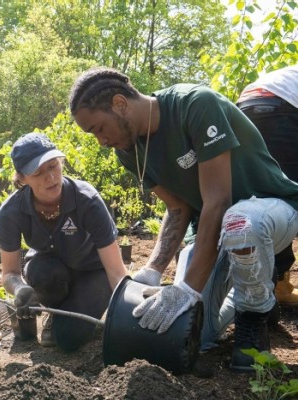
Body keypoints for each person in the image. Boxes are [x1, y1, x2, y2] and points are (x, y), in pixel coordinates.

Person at [69, 67, 298, 371]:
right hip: (216, 230)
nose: (100, 140)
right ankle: (256, 289)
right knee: (189, 333)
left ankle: (254, 316)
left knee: (239, 223)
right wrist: (152, 269)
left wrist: (188, 289)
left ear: (119, 104)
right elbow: (178, 209)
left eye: (98, 128)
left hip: (270, 210)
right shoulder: (130, 150)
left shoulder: (195, 105)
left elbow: (218, 201)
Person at [0, 133, 128, 352]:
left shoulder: (86, 200)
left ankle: (72, 317)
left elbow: (116, 271)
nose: (51, 177)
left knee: (68, 339)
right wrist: (20, 288)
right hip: (50, 270)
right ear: (22, 179)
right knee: (42, 274)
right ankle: (54, 312)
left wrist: (126, 313)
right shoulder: (10, 212)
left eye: (53, 166)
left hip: (93, 272)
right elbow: (9, 273)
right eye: (38, 172)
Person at [237, 65, 298, 305]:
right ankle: (275, 284)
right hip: (282, 108)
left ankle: (278, 281)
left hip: (246, 107)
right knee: (288, 195)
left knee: (270, 193)